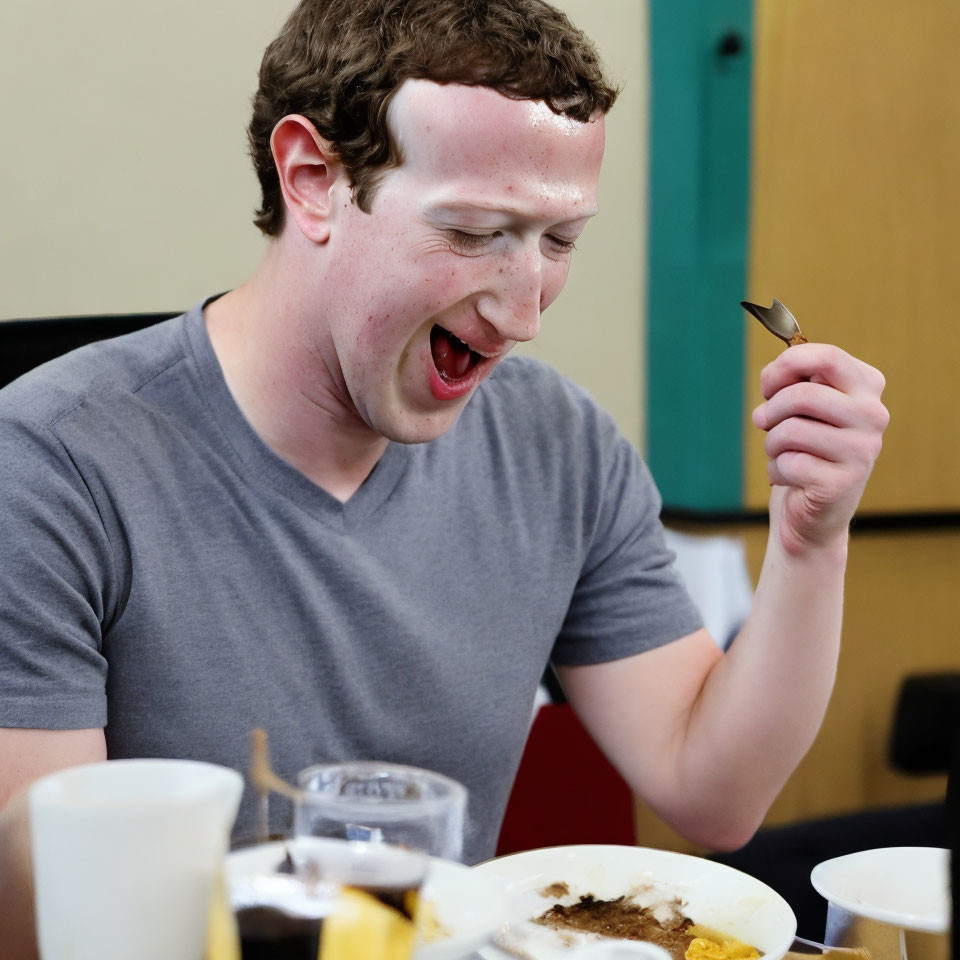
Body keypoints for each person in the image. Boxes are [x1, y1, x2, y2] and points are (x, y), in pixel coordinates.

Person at [0, 0, 888, 954]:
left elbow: (714, 795)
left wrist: (810, 539)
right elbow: (38, 917)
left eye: (558, 242)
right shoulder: (51, 465)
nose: (523, 314)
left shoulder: (562, 446)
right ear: (312, 180)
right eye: (473, 232)